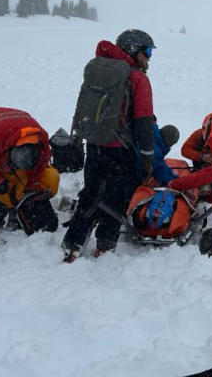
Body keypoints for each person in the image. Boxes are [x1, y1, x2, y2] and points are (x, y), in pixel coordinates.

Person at [61, 29, 156, 261]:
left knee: (90, 193)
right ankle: (105, 244)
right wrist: (147, 156)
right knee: (117, 197)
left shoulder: (99, 71)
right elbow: (144, 122)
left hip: (94, 144)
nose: (150, 58)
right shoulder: (137, 79)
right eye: (148, 52)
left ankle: (73, 242)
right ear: (134, 50)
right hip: (120, 149)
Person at [0, 107, 60, 245]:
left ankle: (8, 206)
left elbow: (39, 168)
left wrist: (31, 187)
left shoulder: (42, 145)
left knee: (23, 180)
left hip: (8, 128)